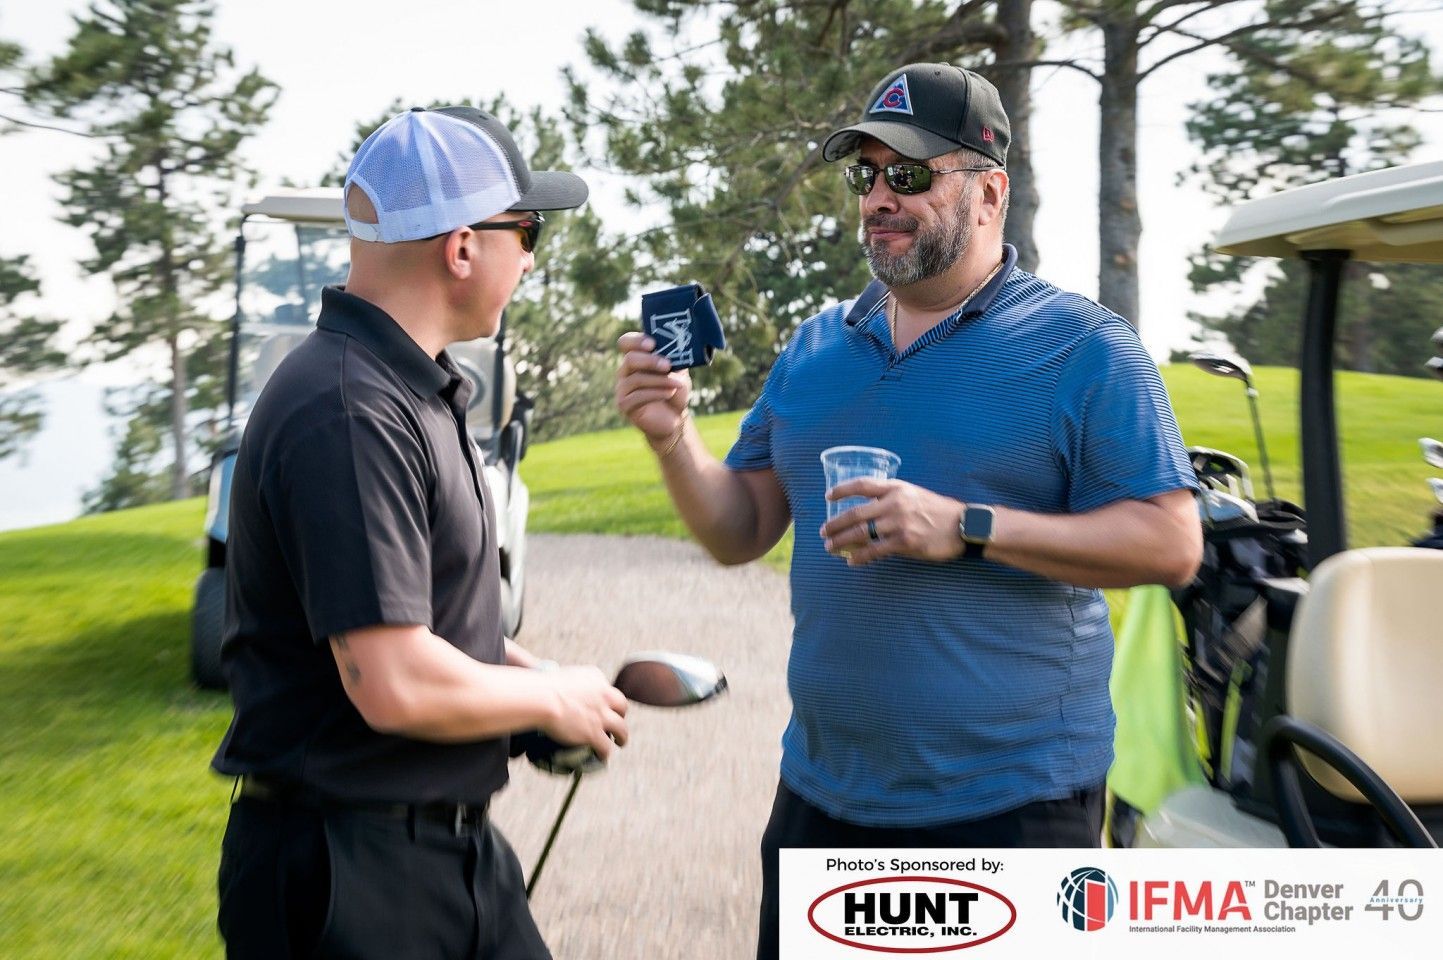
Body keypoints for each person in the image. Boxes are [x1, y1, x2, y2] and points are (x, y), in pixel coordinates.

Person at [613, 63, 1202, 958]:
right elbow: (739, 530)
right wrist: (669, 438)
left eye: (911, 173)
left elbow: (1168, 543)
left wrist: (964, 527)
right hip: (822, 797)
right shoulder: (815, 348)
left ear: (990, 191)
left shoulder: (1084, 347)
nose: (879, 198)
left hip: (1010, 811)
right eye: (866, 174)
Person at [212, 106, 629, 960]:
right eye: (529, 230)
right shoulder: (347, 410)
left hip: (444, 854)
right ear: (464, 247)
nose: (531, 257)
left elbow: (423, 624)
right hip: (349, 876)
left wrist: (544, 683)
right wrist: (551, 699)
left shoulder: (407, 390)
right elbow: (392, 679)